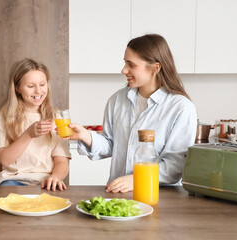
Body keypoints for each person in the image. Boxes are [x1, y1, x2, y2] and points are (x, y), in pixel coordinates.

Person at [68, 34, 197, 193]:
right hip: (118, 194)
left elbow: (175, 166)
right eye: (125, 63)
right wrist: (85, 135)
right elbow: (111, 144)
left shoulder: (180, 107)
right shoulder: (117, 100)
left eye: (131, 64)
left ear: (155, 68)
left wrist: (137, 179)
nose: (124, 70)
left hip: (160, 196)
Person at [0, 58, 71, 191]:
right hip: (12, 181)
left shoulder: (57, 118)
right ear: (17, 88)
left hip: (46, 182)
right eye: (30, 86)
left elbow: (62, 161)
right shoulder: (3, 117)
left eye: (42, 84)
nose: (38, 91)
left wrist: (56, 177)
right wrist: (28, 134)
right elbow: (5, 160)